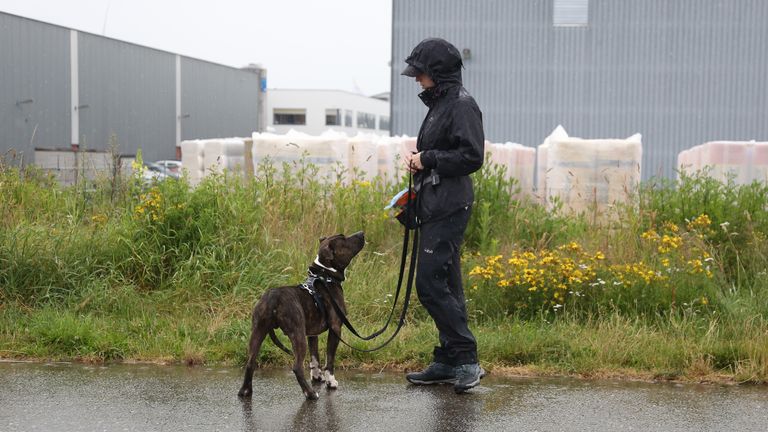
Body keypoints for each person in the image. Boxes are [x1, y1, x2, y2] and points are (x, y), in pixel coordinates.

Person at [400, 37, 485, 393]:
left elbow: (472, 157)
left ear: (437, 72)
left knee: (430, 284)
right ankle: (448, 360)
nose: (417, 79)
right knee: (447, 283)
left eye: (421, 73)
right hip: (435, 202)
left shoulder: (462, 105)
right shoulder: (441, 104)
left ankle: (466, 359)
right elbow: (442, 149)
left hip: (450, 204)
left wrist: (428, 159)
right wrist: (420, 156)